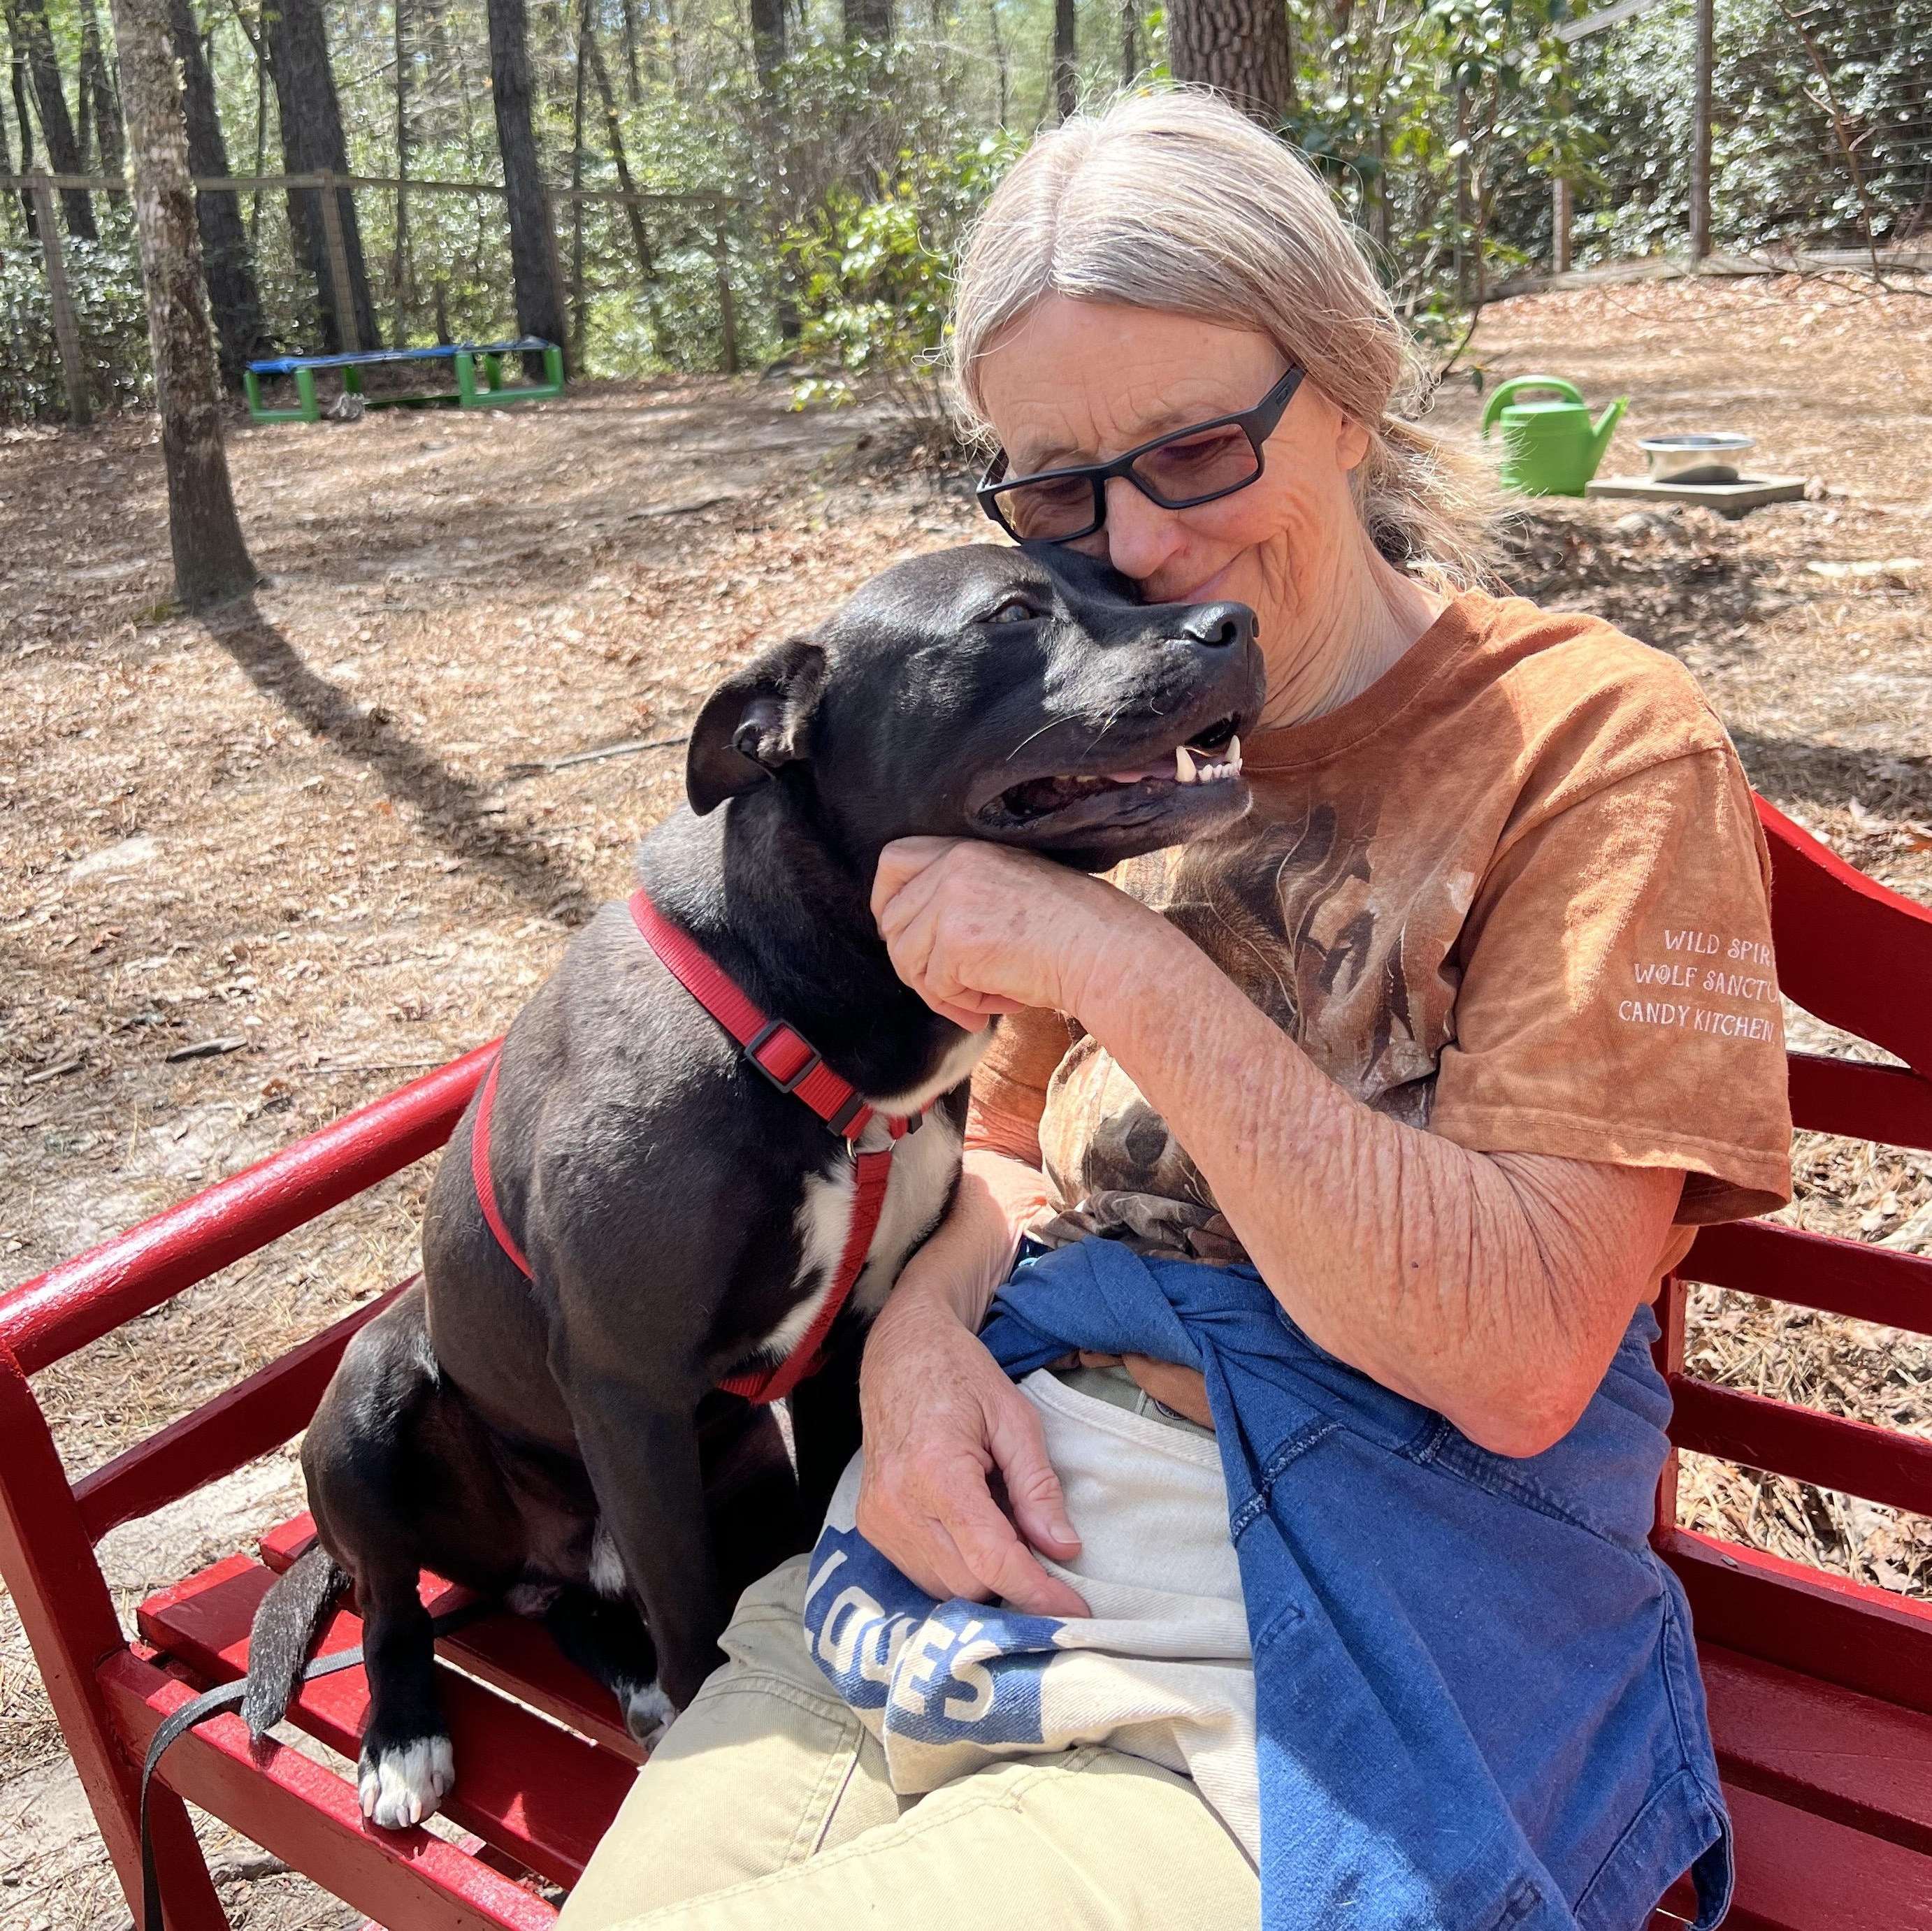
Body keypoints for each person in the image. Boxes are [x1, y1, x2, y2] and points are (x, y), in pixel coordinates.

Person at [558, 87, 1791, 1931]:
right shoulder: (1090, 743)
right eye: (1054, 485)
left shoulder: (1591, 746)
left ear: (1350, 391)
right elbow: (996, 1148)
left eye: (1194, 452)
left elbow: (1524, 1354)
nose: (1126, 547)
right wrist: (909, 1354)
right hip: (968, 1545)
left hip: (1333, 1638)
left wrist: (1125, 963)